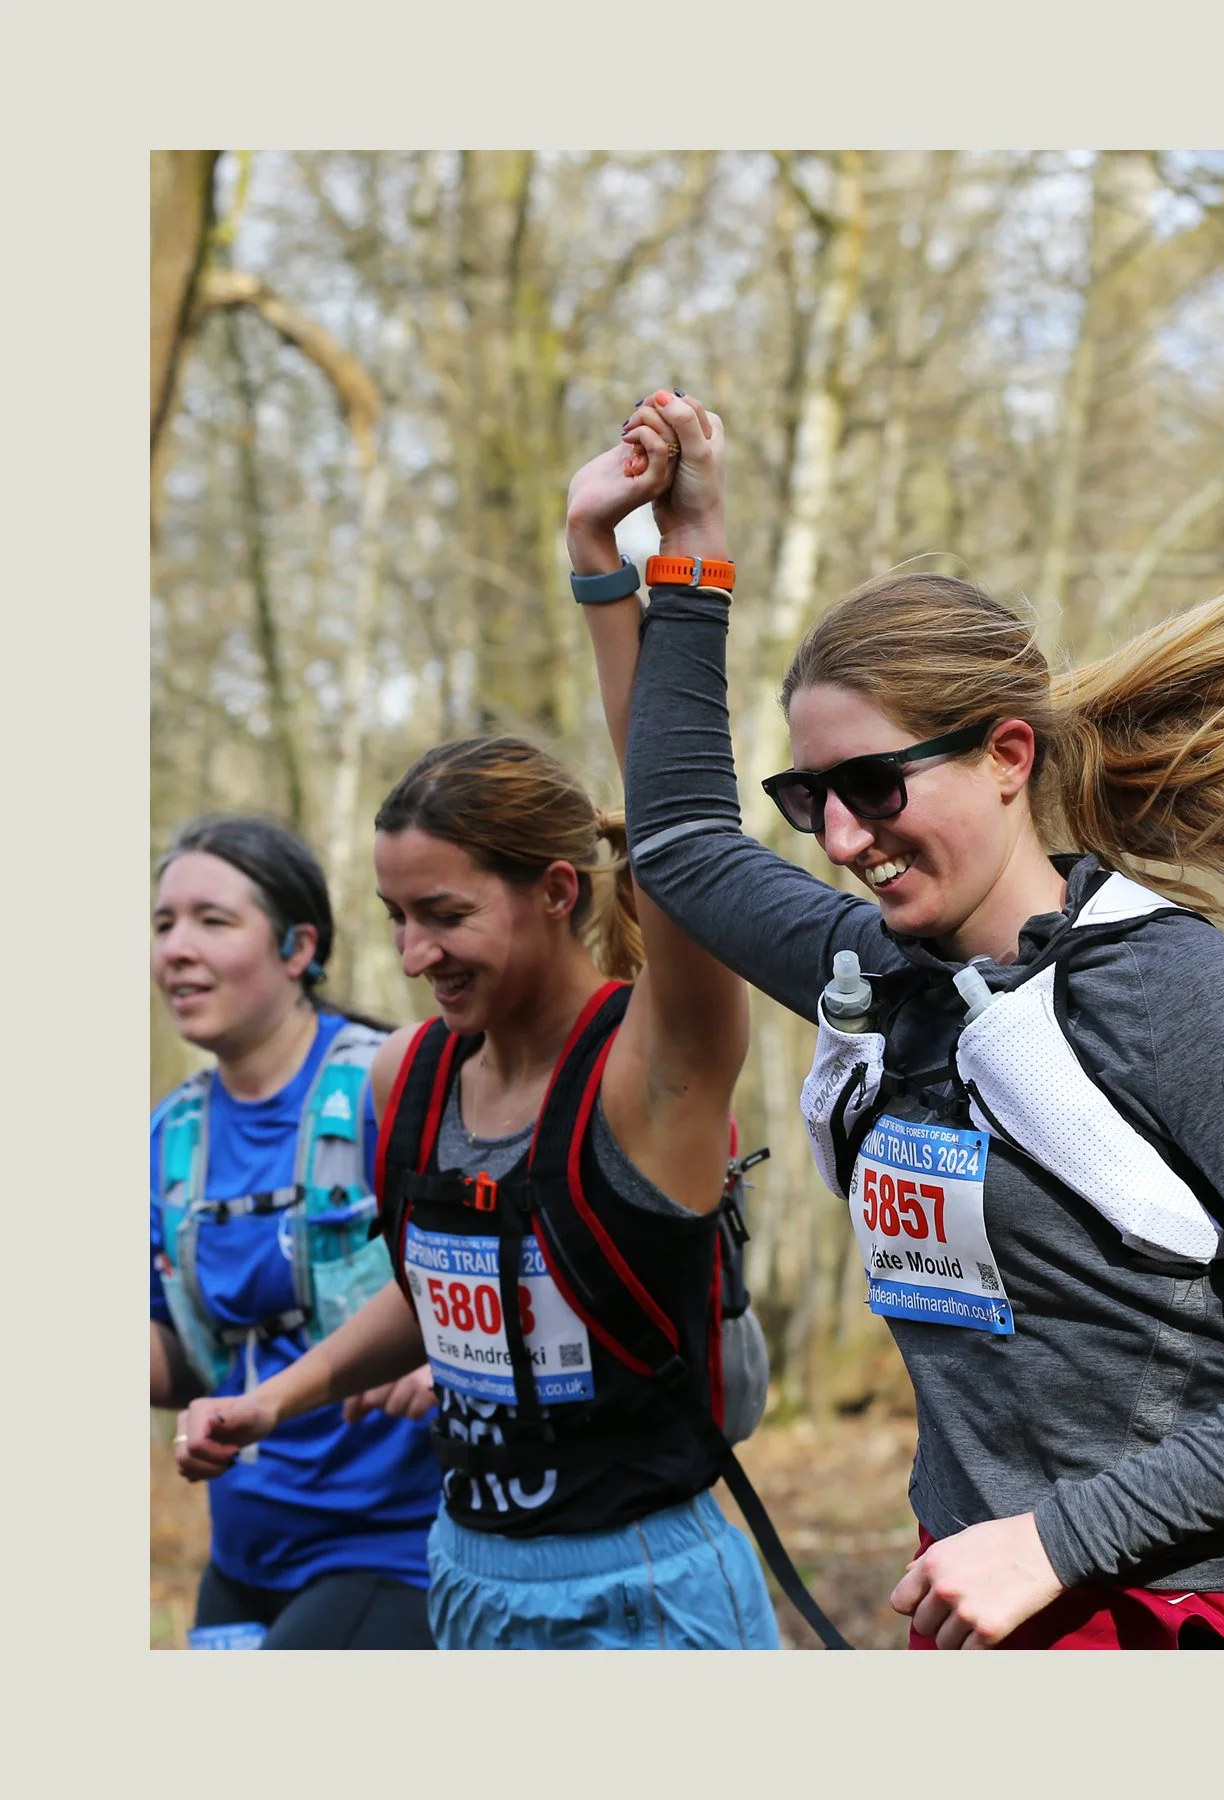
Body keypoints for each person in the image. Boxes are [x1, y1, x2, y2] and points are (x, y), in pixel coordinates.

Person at [580, 387, 1224, 1650]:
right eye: (808, 794)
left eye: (875, 786)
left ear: (1006, 755)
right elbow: (677, 843)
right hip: (986, 1600)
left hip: (1206, 1615)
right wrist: (678, 548)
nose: (840, 841)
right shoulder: (874, 968)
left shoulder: (1179, 998)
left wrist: (1057, 1540)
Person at [172, 532, 784, 1649]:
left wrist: (622, 576)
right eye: (397, 918)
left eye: (445, 917)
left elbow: (682, 824)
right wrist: (274, 1402)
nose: (413, 956)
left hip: (646, 1589)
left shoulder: (651, 1074)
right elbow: (445, 1294)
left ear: (557, 891)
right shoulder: (403, 1080)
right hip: (464, 1571)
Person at [151, 816, 441, 1649]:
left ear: (295, 947)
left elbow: (510, 1262)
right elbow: (181, 1356)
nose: (176, 948)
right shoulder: (171, 1139)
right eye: (163, 923)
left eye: (212, 920)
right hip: (244, 1554)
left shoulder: (395, 1082)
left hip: (397, 1547)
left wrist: (442, 1348)